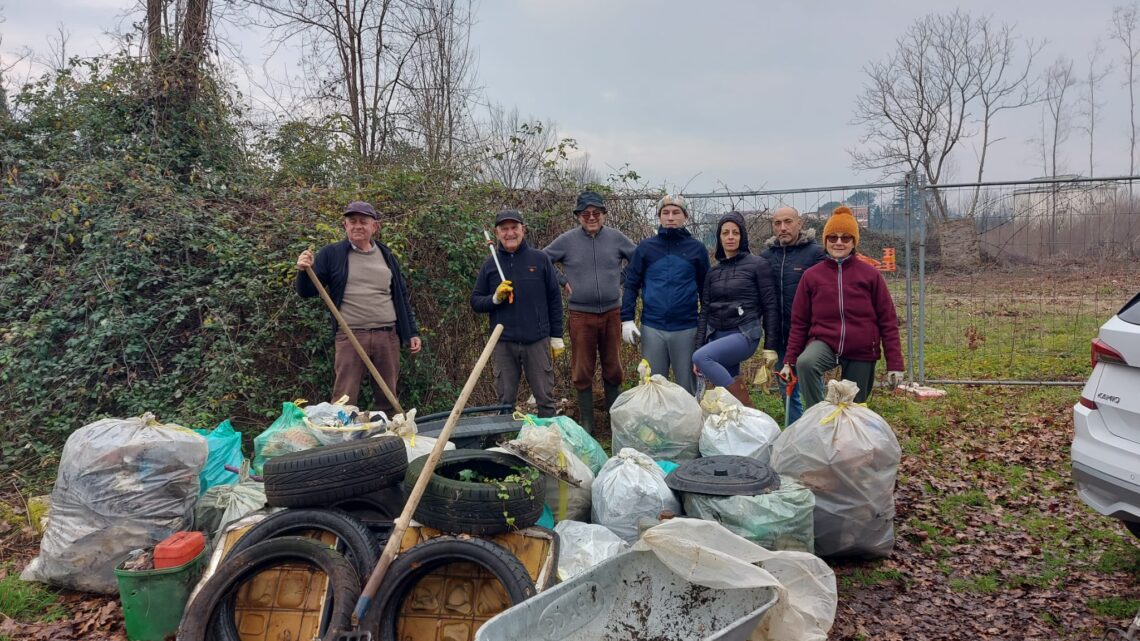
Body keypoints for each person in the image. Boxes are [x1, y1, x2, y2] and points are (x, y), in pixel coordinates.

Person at [295, 200, 422, 414]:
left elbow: (400, 296)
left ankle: (389, 440)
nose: (357, 226)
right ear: (345, 226)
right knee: (344, 399)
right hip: (350, 336)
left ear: (374, 227)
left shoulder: (387, 256)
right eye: (352, 221)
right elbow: (307, 291)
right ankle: (342, 442)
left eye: (363, 221)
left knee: (388, 397)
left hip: (386, 336)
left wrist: (411, 332)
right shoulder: (332, 254)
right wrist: (303, 270)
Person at [779, 205, 904, 409]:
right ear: (825, 240)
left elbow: (887, 320)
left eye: (845, 237)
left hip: (861, 348)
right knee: (806, 363)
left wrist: (895, 364)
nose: (838, 242)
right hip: (825, 342)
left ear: (854, 241)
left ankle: (850, 435)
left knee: (854, 409)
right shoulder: (812, 276)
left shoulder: (870, 275)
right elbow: (799, 322)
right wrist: (789, 360)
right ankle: (817, 414)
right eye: (832, 237)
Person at [544, 191, 636, 432]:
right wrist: (562, 281)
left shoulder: (616, 238)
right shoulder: (567, 240)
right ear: (578, 216)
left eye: (596, 213)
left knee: (613, 366)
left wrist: (621, 278)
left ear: (604, 214)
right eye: (586, 214)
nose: (591, 217)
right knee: (582, 367)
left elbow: (638, 259)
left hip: (612, 312)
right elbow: (543, 260)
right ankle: (587, 423)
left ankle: (614, 420)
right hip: (581, 315)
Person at [471, 209, 564, 417]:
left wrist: (556, 336)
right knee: (504, 401)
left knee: (545, 399)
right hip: (503, 342)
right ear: (497, 233)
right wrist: (494, 299)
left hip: (537, 340)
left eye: (514, 228)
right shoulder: (490, 266)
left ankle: (547, 442)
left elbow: (554, 300)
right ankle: (501, 444)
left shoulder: (540, 260)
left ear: (523, 230)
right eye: (504, 229)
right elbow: (476, 302)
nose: (510, 233)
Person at [621, 194, 710, 395]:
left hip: (686, 328)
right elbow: (631, 284)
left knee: (687, 387)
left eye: (676, 212)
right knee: (652, 386)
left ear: (685, 216)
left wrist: (707, 327)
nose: (670, 217)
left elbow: (706, 291)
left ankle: (689, 426)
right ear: (659, 217)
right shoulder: (646, 248)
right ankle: (654, 426)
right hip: (652, 327)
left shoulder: (696, 249)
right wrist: (626, 319)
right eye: (665, 213)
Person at [692, 212, 780, 407]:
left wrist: (770, 347)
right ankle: (742, 427)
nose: (730, 237)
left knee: (702, 357)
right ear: (719, 237)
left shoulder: (758, 265)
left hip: (744, 334)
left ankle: (747, 407)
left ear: (742, 237)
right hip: (717, 333)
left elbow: (770, 306)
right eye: (725, 233)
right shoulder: (713, 272)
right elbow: (704, 311)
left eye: (735, 233)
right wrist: (699, 343)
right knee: (726, 389)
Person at [760, 205, 826, 423]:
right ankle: (795, 433)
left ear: (800, 223)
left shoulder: (816, 253)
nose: (783, 228)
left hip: (808, 336)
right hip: (779, 334)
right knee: (787, 388)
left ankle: (819, 428)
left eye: (788, 222)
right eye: (777, 223)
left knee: (811, 387)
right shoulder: (766, 256)